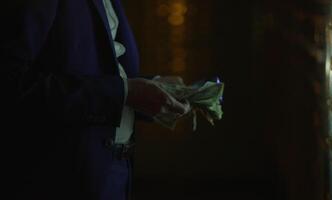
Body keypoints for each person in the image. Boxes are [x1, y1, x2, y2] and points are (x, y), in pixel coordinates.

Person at [0, 0, 190, 199]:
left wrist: (156, 87)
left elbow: (106, 71)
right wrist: (125, 93)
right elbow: (11, 84)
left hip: (115, 171)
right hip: (61, 179)